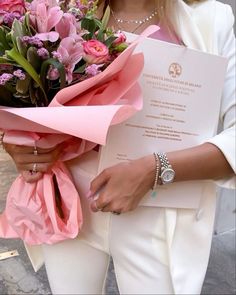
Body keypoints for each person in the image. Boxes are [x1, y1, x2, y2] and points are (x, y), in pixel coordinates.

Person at [3, 0, 236, 294]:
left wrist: (153, 169)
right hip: (72, 201)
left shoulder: (209, 19)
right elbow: (28, 100)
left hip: (158, 213)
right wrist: (20, 146)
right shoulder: (67, 10)